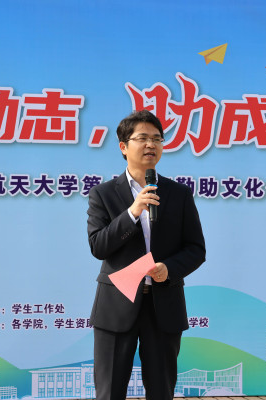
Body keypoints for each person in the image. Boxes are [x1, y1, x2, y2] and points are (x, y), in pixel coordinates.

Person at [87, 110, 206, 400]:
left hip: (163, 305)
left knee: (161, 391)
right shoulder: (103, 194)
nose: (151, 144)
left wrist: (169, 268)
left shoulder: (179, 194)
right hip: (117, 304)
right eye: (142, 138)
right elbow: (98, 246)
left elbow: (196, 249)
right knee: (109, 392)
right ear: (123, 146)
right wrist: (132, 212)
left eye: (157, 139)